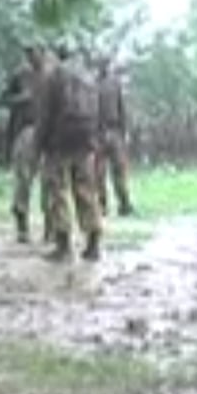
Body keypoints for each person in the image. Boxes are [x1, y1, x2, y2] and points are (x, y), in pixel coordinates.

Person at [35, 45, 104, 262]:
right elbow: (98, 111)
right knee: (87, 190)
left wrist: (39, 143)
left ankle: (63, 245)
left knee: (58, 192)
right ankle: (93, 243)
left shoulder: (53, 76)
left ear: (58, 55)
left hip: (59, 143)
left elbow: (45, 114)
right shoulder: (89, 77)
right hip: (85, 141)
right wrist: (95, 140)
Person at [0, 44, 54, 243]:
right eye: (27, 52)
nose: (30, 56)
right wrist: (20, 99)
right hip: (26, 131)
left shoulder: (53, 75)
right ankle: (22, 227)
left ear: (43, 52)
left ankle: (51, 227)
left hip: (49, 133)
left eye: (33, 51)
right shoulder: (20, 75)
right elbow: (1, 100)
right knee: (23, 180)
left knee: (50, 181)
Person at [94, 57, 135, 216]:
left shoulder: (115, 83)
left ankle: (124, 204)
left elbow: (122, 108)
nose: (103, 66)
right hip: (98, 132)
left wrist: (125, 132)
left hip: (115, 130)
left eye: (105, 63)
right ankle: (102, 205)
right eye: (100, 63)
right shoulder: (92, 83)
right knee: (99, 173)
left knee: (120, 170)